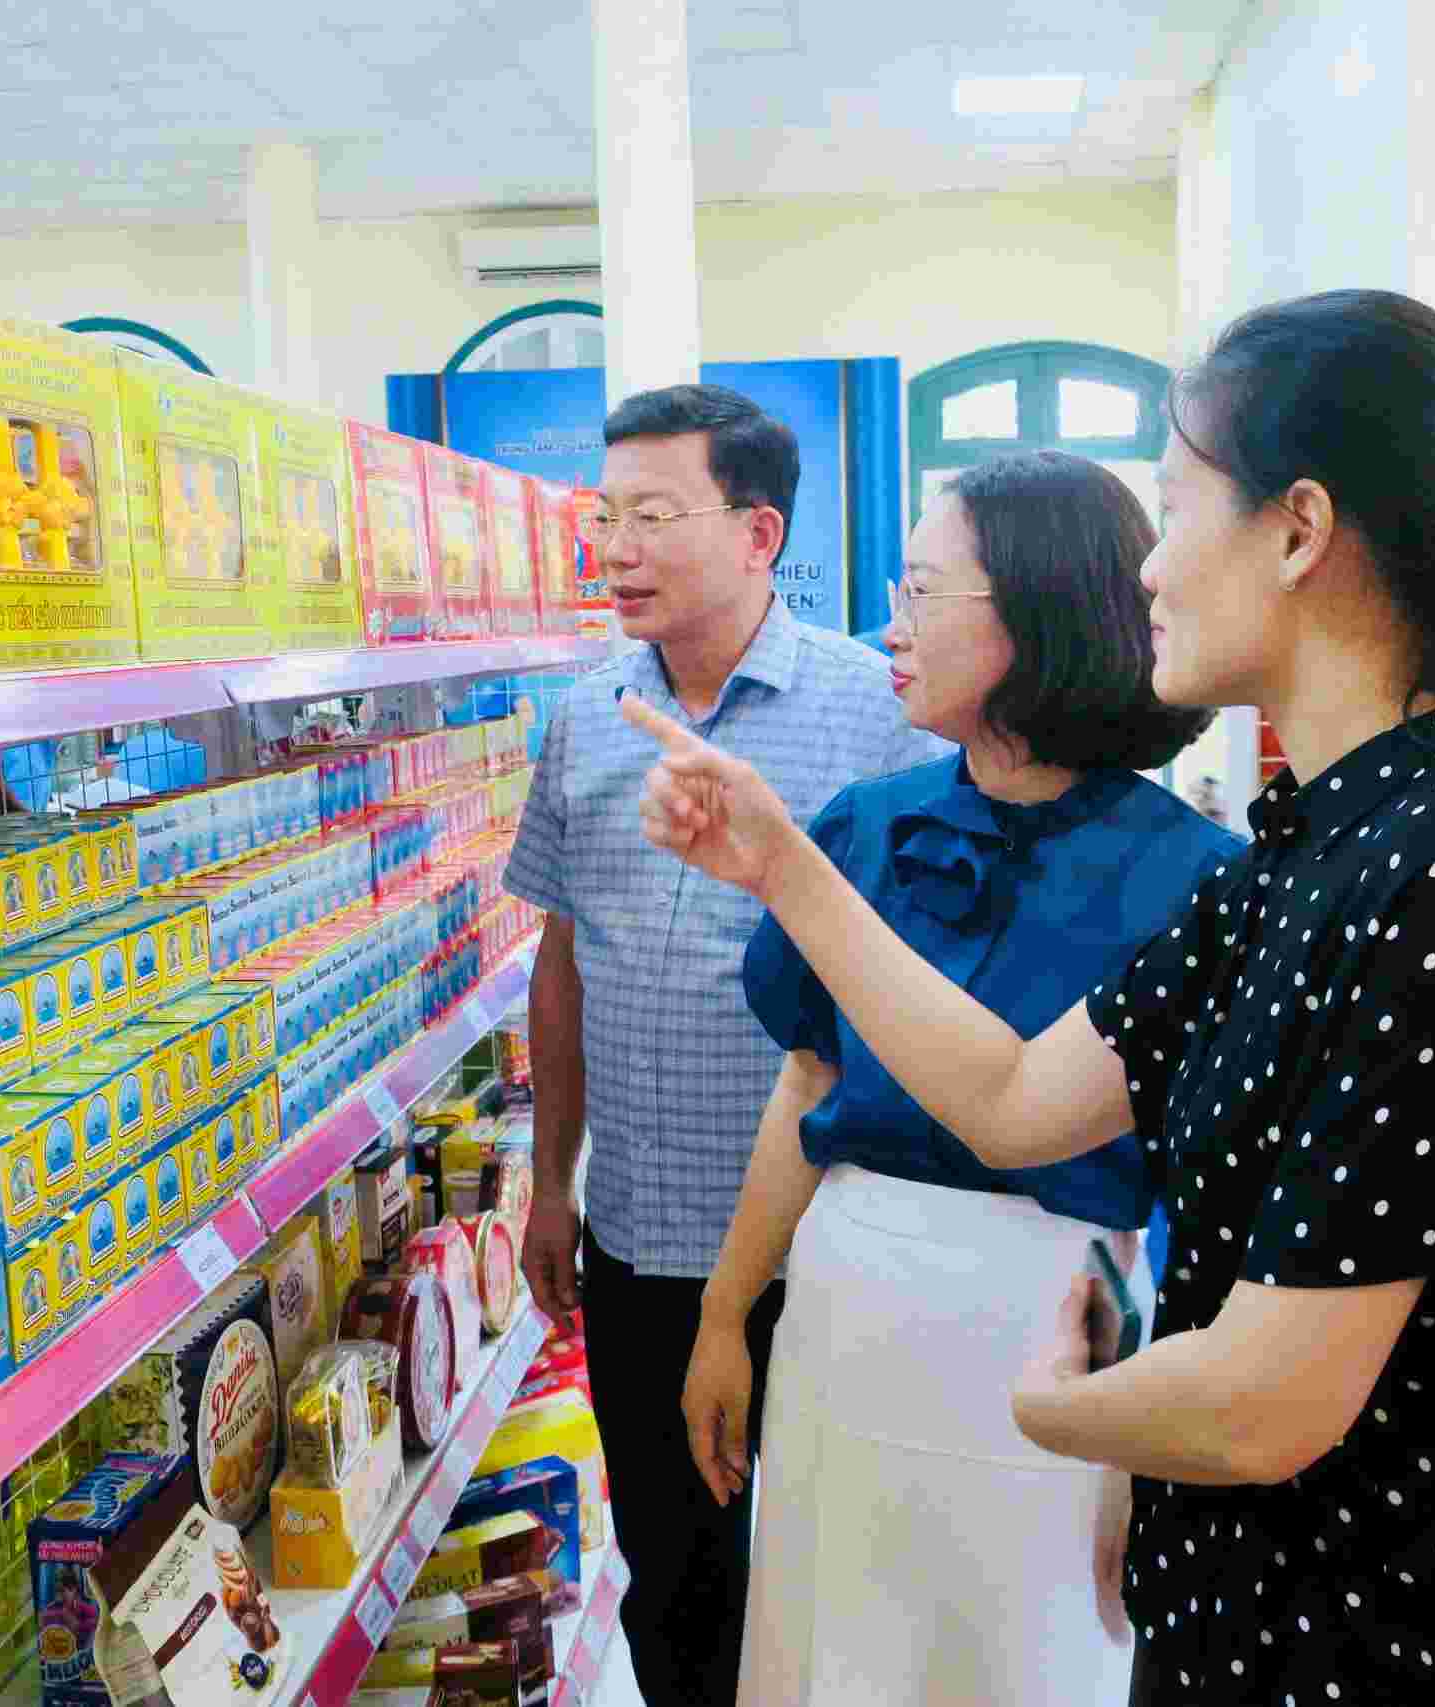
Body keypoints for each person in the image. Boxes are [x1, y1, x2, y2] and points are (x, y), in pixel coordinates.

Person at [621, 290, 1435, 1703]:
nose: (1149, 569)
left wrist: (1051, 1407)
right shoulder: (1309, 850)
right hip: (1246, 1612)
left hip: (1397, 1642)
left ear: (1299, 531)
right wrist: (785, 864)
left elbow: (1267, 1397)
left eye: (1174, 507)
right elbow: (1010, 1096)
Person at [687, 450, 1235, 1707]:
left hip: (1060, 1326)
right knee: (834, 1647)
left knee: (1029, 1652)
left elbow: (1208, 1191)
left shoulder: (1197, 880)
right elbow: (805, 1086)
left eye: (925, 591)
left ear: (1039, 615)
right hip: (846, 1306)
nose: (892, 623)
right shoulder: (861, 832)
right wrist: (727, 1317)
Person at [504, 382, 944, 1707]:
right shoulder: (584, 718)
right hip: (638, 1240)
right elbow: (564, 956)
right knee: (675, 1575)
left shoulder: (878, 713)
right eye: (606, 514)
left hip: (828, 1238)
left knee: (826, 1578)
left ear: (759, 534)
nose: (617, 546)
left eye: (656, 514)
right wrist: (550, 1178)